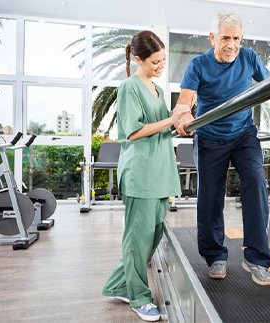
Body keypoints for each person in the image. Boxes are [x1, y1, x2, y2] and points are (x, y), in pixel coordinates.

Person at [174, 9, 270, 286]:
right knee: (210, 197)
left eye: (237, 39)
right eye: (225, 38)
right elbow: (184, 102)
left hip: (244, 134)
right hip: (209, 136)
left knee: (255, 183)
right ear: (212, 38)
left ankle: (256, 258)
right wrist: (184, 116)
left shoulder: (249, 58)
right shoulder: (198, 65)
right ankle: (215, 255)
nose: (232, 45)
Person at [102, 31, 191, 322]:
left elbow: (163, 128)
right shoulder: (129, 87)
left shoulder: (157, 89)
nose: (161, 65)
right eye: (155, 61)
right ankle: (139, 297)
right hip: (141, 173)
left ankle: (118, 284)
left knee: (152, 235)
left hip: (160, 170)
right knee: (138, 238)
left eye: (163, 60)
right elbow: (134, 131)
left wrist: (182, 124)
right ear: (138, 59)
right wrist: (171, 119)